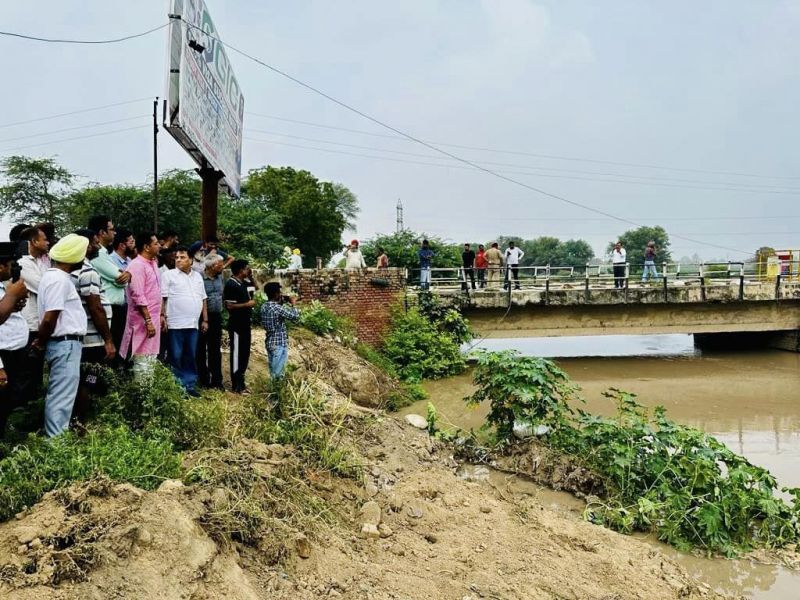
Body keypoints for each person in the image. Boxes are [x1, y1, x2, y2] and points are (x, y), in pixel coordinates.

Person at [31, 234, 89, 438]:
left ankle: (56, 440)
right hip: (65, 344)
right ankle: (55, 443)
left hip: (65, 344)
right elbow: (50, 318)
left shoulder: (55, 277)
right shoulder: (58, 280)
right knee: (61, 397)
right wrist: (41, 341)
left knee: (61, 395)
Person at [72, 229, 116, 422]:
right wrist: (108, 340)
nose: (98, 246)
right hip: (92, 340)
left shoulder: (76, 269)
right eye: (95, 242)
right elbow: (95, 307)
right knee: (89, 379)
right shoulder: (87, 271)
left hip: (86, 337)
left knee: (86, 379)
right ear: (87, 246)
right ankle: (81, 422)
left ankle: (81, 418)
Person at [161, 247, 208, 395]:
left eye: (182, 257)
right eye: (177, 257)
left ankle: (189, 385)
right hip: (174, 323)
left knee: (190, 355)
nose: (178, 260)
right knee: (175, 355)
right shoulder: (168, 275)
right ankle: (178, 387)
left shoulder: (197, 276)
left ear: (191, 260)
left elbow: (203, 298)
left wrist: (205, 319)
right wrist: (162, 317)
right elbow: (163, 298)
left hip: (193, 323)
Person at [120, 232, 162, 378]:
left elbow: (157, 292)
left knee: (150, 358)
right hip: (142, 321)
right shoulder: (137, 265)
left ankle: (147, 390)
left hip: (154, 319)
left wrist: (161, 315)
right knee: (141, 360)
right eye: (156, 243)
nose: (159, 246)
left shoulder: (153, 263)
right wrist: (148, 321)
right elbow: (138, 295)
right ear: (146, 247)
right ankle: (140, 391)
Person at [0, 242, 31, 438]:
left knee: (10, 399)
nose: (13, 269)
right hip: (3, 355)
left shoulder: (3, 286)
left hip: (13, 352)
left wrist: (12, 302)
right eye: (11, 265)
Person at [17, 225, 50, 400]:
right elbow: (44, 287)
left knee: (37, 371)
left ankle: (34, 405)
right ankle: (23, 408)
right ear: (34, 241)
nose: (48, 242)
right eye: (45, 239)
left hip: (40, 323)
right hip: (28, 325)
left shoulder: (41, 262)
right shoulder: (23, 263)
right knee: (27, 371)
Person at [90, 221, 131, 355]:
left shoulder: (105, 252)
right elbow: (119, 277)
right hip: (108, 306)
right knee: (110, 348)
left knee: (117, 346)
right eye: (112, 229)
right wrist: (123, 277)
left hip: (116, 307)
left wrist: (125, 277)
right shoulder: (98, 253)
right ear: (102, 233)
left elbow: (123, 278)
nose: (115, 232)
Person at [224, 259, 255, 393]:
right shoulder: (231, 284)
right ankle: (236, 384)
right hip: (236, 324)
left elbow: (254, 288)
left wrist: (251, 277)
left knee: (244, 353)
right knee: (237, 354)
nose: (248, 270)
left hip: (245, 323)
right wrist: (247, 305)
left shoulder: (244, 283)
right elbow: (229, 306)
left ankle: (241, 381)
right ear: (241, 270)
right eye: (247, 268)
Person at [261, 281, 300, 379]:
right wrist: (293, 304)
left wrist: (281, 303)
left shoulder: (264, 306)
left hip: (270, 342)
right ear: (276, 294)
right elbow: (295, 317)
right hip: (279, 344)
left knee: (273, 372)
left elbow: (276, 316)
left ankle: (273, 388)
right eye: (279, 292)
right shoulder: (277, 308)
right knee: (278, 375)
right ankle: (276, 389)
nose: (281, 294)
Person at [197, 254, 224, 390]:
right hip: (202, 318)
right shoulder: (199, 278)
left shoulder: (220, 277)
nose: (223, 267)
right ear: (212, 266)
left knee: (215, 349)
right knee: (201, 349)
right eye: (220, 264)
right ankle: (203, 380)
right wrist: (204, 319)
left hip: (216, 317)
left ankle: (217, 381)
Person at [105, 229, 134, 354]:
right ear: (122, 245)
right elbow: (120, 279)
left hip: (129, 306)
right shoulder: (109, 261)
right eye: (131, 242)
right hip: (115, 306)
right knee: (116, 340)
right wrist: (127, 276)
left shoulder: (131, 262)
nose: (134, 245)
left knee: (127, 341)